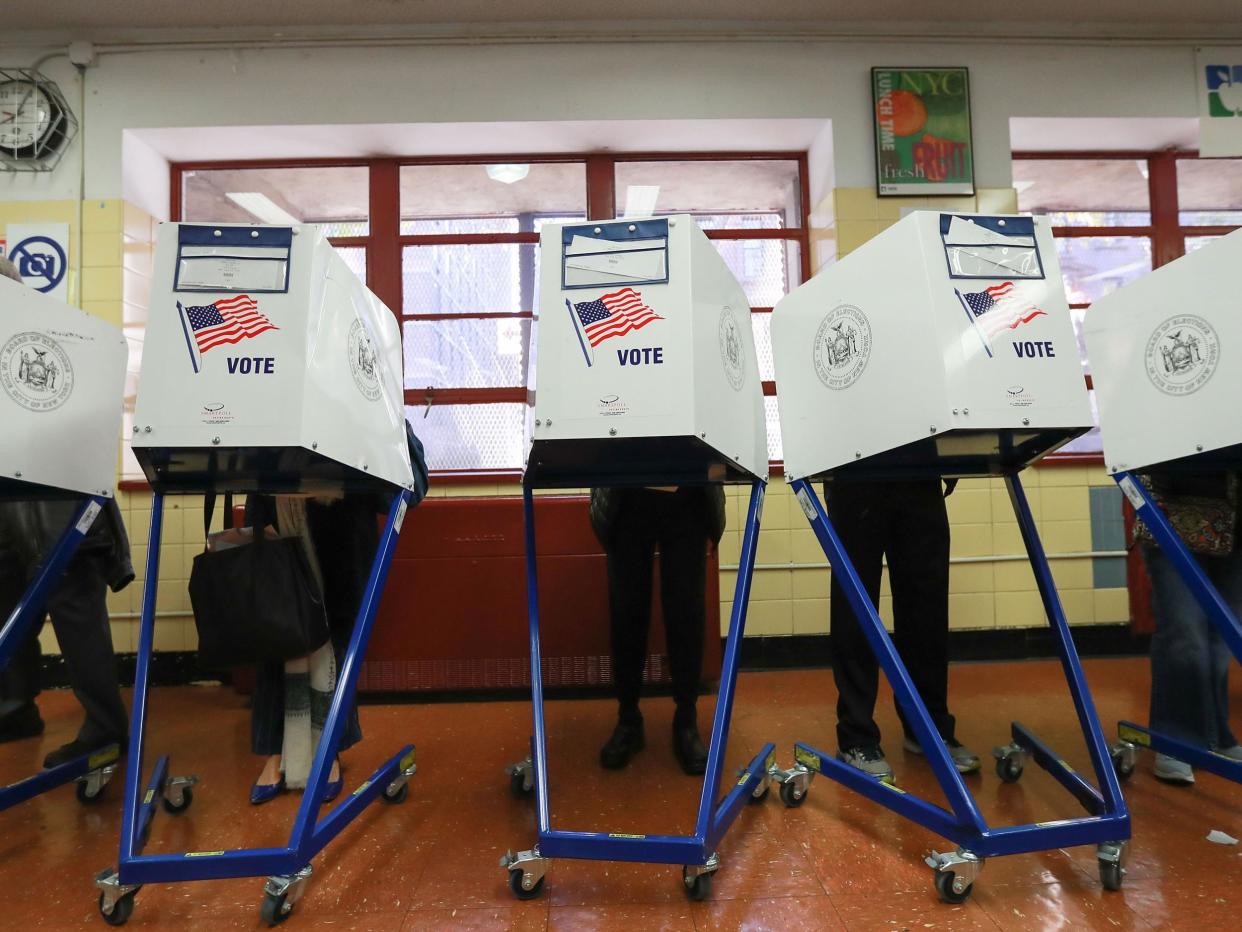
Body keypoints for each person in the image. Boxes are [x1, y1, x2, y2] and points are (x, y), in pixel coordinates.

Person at [245, 423, 428, 805]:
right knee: (274, 635)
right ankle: (274, 753)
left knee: (338, 642)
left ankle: (329, 748)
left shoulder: (364, 382)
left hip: (343, 529)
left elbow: (411, 486)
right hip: (279, 514)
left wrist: (391, 423)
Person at [0, 255, 133, 767]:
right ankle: (14, 709)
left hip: (64, 512)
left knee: (78, 624)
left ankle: (105, 731)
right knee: (6, 611)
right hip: (13, 511)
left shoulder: (56, 341)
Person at [824, 478, 980, 782]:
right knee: (855, 607)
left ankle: (929, 728)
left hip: (919, 467)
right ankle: (856, 738)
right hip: (854, 469)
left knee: (926, 606)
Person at [589, 484, 726, 776]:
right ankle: (628, 719)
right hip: (626, 495)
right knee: (627, 612)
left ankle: (686, 721)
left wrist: (714, 512)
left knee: (686, 612)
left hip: (687, 493)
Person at [1136, 470, 1242, 785]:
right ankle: (1176, 742)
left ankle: (1216, 736)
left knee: (1220, 638)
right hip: (1174, 515)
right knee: (1184, 634)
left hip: (1238, 523)